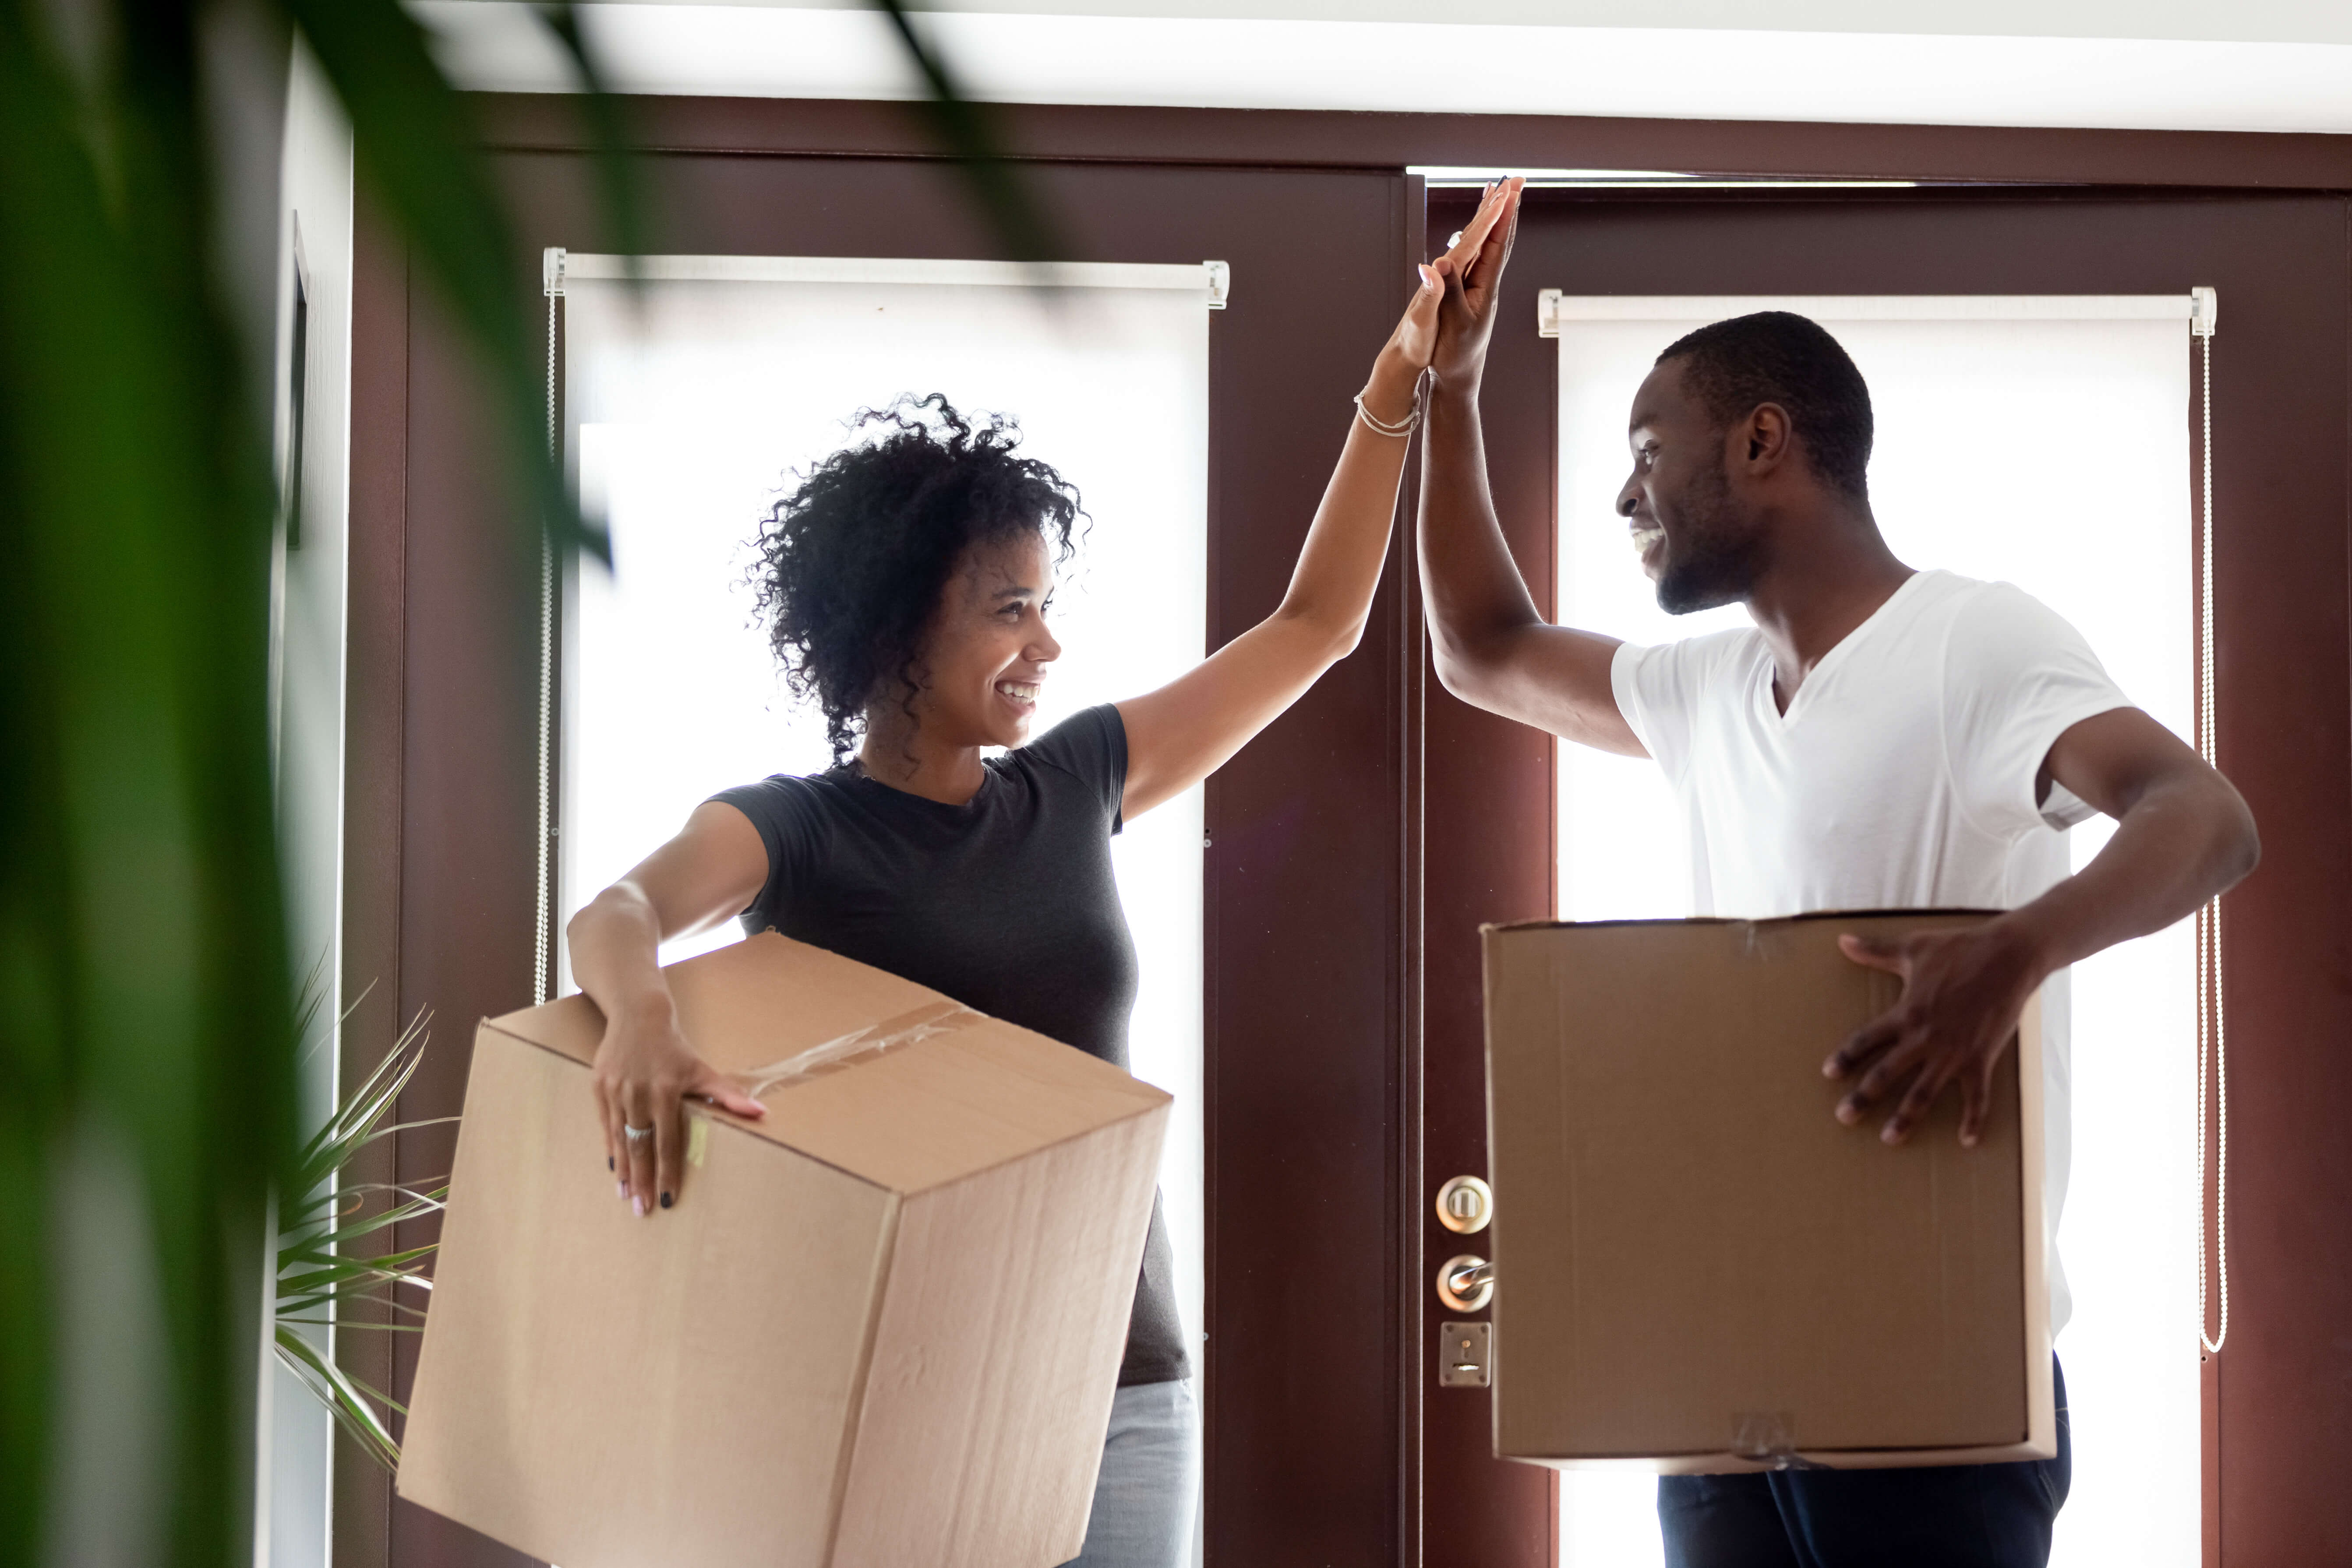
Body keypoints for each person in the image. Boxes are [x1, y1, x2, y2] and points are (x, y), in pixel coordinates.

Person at [563, 180, 1516, 1568]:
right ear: (895, 627)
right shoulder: (800, 830)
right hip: (888, 1377)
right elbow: (619, 912)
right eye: (1010, 608)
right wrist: (640, 1019)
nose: (1046, 644)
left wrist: (1400, 379)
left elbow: (1315, 624)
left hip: (1123, 1384)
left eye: (1047, 603)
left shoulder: (1074, 781)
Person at [1417, 180, 2259, 1567]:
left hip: (1935, 1375)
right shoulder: (1708, 691)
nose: (1627, 492)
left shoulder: (1970, 643)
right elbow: (1481, 649)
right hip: (1725, 1383)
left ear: (1762, 442)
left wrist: (2016, 947)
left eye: (1649, 451)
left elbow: (2200, 813)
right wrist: (1447, 391)